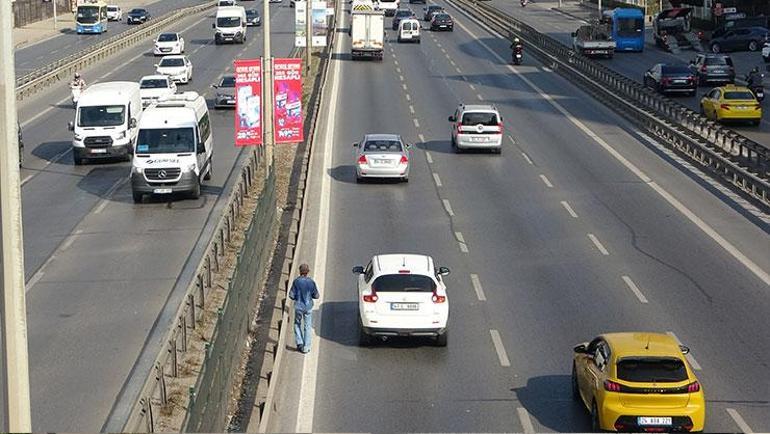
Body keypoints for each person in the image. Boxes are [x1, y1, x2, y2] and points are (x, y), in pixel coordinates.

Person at [289, 263, 319, 354]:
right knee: (307, 326)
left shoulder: (296, 282)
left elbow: (291, 295)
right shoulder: (311, 282)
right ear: (307, 272)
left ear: (300, 271)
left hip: (298, 306)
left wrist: (297, 298)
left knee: (297, 323)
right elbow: (316, 295)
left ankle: (300, 343)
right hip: (308, 306)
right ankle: (306, 347)